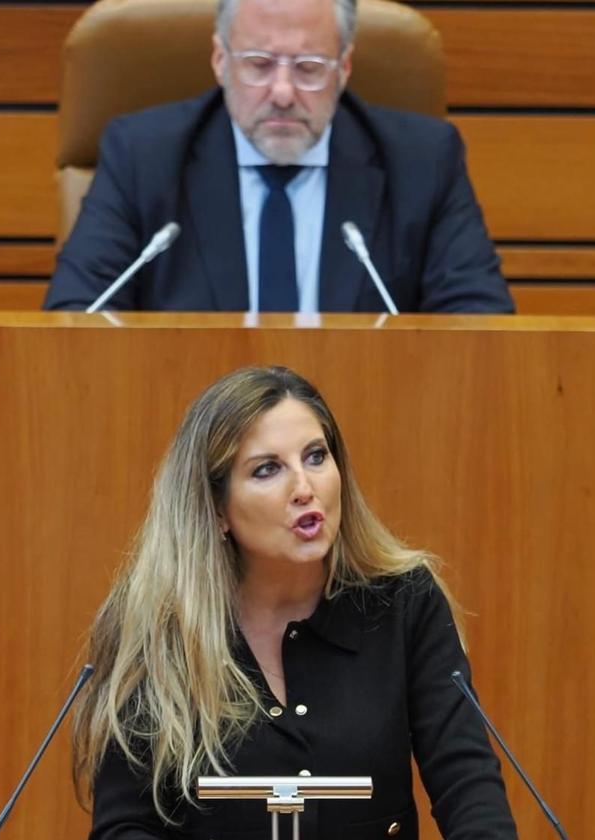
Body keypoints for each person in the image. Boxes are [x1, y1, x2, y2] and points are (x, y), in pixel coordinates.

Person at [72, 366, 518, 839]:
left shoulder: (404, 603)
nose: (304, 488)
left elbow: (468, 787)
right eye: (268, 469)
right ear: (216, 508)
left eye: (316, 457)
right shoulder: (156, 626)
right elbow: (125, 827)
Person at [44, 0, 515, 315]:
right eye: (259, 65)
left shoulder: (423, 161)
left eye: (309, 68)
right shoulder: (143, 156)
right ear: (220, 61)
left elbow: (480, 330)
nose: (284, 93)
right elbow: (77, 318)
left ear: (344, 68)